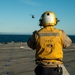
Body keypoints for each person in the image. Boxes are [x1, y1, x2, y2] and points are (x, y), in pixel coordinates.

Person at [27, 11, 72, 75]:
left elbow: (30, 44)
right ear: (55, 21)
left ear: (42, 21)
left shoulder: (37, 34)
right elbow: (68, 43)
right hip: (56, 67)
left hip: (41, 68)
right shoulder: (60, 33)